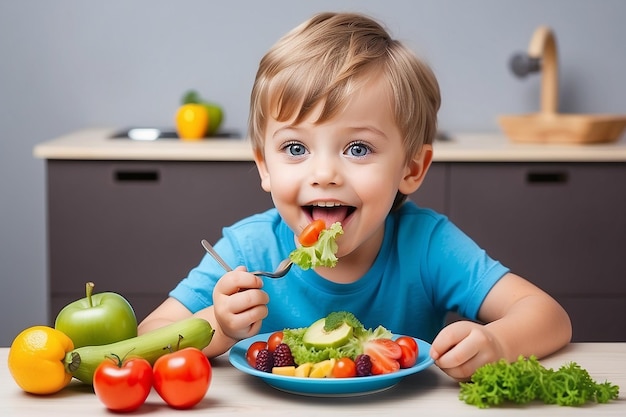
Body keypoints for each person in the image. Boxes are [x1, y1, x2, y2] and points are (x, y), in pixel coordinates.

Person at [139, 11, 571, 381]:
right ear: (264, 166)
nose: (324, 174)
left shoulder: (427, 244)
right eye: (295, 149)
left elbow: (548, 316)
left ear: (412, 168)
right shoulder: (247, 249)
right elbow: (146, 339)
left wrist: (495, 341)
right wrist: (218, 323)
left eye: (358, 149)